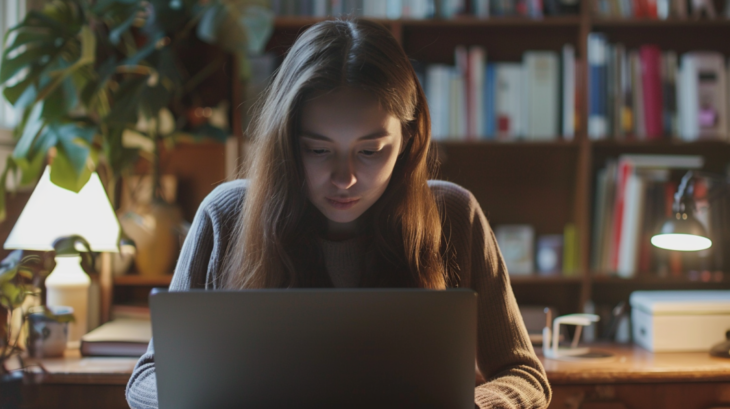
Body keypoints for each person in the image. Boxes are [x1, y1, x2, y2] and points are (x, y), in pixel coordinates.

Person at [126, 18, 551, 409]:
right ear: (287, 143)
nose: (344, 178)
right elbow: (146, 377)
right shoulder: (226, 215)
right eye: (318, 150)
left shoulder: (453, 214)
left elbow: (525, 375)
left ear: (407, 138)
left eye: (370, 151)